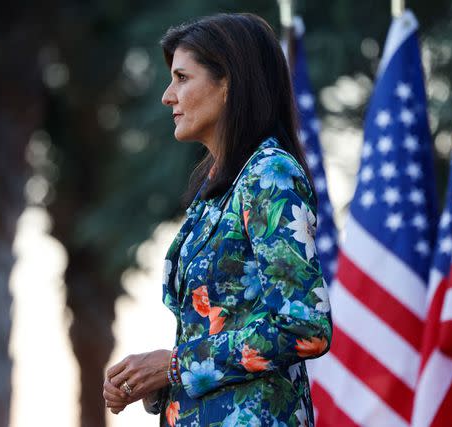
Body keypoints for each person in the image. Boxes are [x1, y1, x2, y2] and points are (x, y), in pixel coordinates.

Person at [103, 13, 332, 426]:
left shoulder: (268, 176)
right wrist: (158, 382)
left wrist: (175, 366)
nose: (168, 96)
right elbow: (217, 337)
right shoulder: (217, 189)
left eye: (182, 78)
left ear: (228, 83)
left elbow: (304, 325)